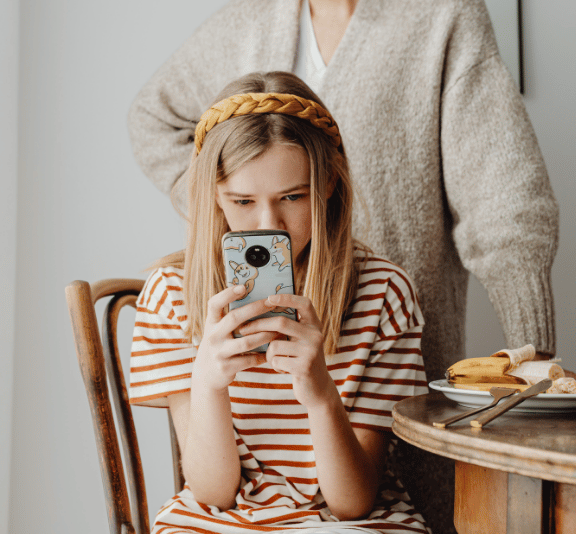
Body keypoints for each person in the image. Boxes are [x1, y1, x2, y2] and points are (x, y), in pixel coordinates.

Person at [127, 0, 558, 532]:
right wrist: (228, 217)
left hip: (383, 350)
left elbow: (502, 190)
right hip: (256, 397)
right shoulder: (247, 24)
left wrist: (533, 365)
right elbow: (154, 118)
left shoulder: (438, 1)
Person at [129, 71, 431, 534]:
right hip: (219, 518)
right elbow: (213, 493)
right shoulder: (172, 293)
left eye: (292, 196)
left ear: (329, 184)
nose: (269, 225)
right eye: (243, 200)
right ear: (214, 195)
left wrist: (322, 397)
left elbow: (352, 504)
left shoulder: (383, 294)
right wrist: (208, 384)